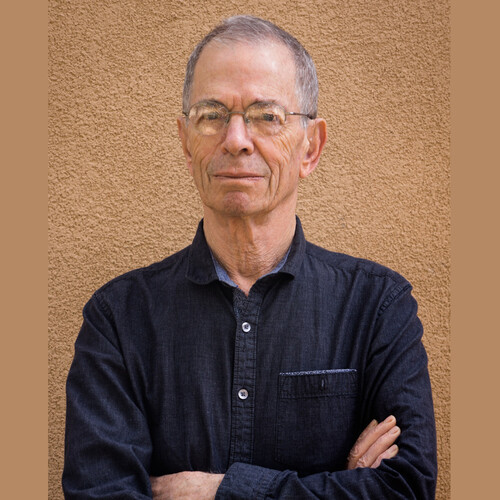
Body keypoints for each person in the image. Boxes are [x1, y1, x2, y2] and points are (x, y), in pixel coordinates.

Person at [63, 15, 437, 499]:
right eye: (212, 115)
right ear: (185, 141)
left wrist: (221, 491)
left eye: (267, 116)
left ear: (311, 147)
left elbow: (405, 490)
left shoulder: (379, 308)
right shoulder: (118, 319)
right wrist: (339, 486)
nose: (236, 139)